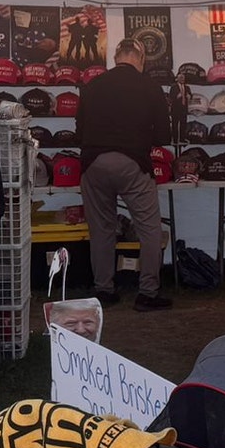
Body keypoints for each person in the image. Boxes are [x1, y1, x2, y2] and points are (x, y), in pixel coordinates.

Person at [77, 38, 172, 311]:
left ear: (116, 58)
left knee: (101, 230)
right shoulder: (150, 86)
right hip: (132, 163)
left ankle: (104, 290)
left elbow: (79, 131)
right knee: (149, 229)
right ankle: (147, 293)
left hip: (94, 164)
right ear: (140, 60)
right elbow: (163, 136)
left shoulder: (92, 85)